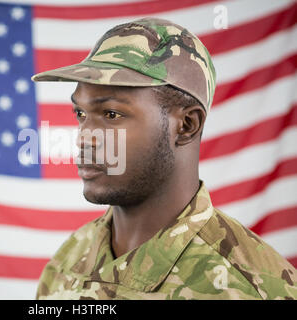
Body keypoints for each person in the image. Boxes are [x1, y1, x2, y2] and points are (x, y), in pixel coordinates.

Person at [31, 17, 296, 300]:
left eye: (111, 114)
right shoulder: (69, 260)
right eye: (81, 115)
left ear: (186, 125)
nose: (84, 138)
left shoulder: (254, 289)